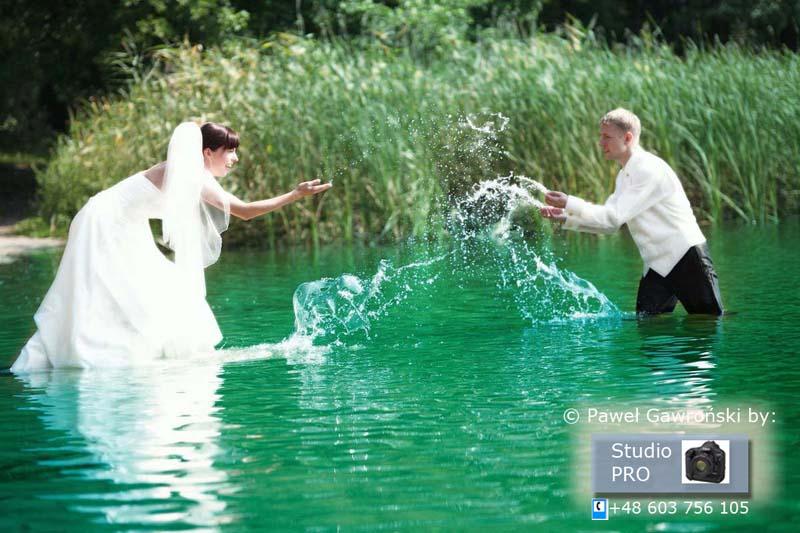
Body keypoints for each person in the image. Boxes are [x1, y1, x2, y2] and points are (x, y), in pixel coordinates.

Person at [11, 121, 331, 372]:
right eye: (229, 151)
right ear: (208, 152)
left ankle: (126, 349)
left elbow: (239, 207)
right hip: (102, 222)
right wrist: (294, 195)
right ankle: (86, 351)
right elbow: (244, 211)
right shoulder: (190, 173)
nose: (235, 159)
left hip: (124, 224)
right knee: (105, 290)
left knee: (154, 288)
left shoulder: (191, 172)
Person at [540, 108, 723, 316]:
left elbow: (613, 216)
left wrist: (569, 203)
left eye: (606, 137)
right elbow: (610, 225)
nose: (601, 143)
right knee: (649, 330)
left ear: (627, 138)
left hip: (687, 258)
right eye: (601, 136)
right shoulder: (625, 175)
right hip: (657, 266)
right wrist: (565, 218)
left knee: (709, 323)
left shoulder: (647, 169)